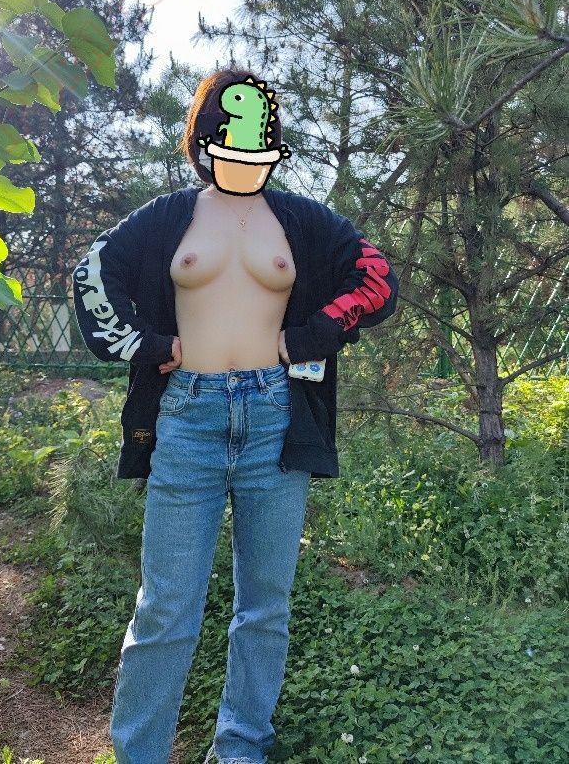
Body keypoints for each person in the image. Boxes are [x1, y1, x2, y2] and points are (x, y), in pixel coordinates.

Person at [70, 68, 399, 764]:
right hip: (186, 419)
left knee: (265, 607)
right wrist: (145, 345)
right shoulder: (168, 217)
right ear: (202, 140)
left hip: (277, 420)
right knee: (166, 608)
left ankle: (241, 748)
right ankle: (140, 754)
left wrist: (314, 334)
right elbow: (92, 274)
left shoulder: (303, 221)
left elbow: (377, 276)